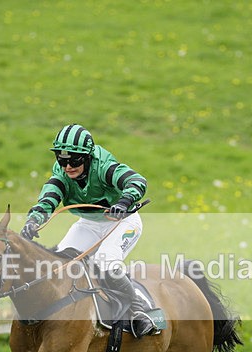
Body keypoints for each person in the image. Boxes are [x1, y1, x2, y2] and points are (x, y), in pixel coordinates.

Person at [21, 124, 154, 337]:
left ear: (88, 157)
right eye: (61, 160)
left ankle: (140, 309)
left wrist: (123, 201)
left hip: (122, 222)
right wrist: (33, 221)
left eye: (74, 160)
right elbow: (48, 198)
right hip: (89, 223)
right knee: (60, 265)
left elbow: (137, 181)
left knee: (105, 262)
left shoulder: (104, 167)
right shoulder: (62, 173)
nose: (67, 167)